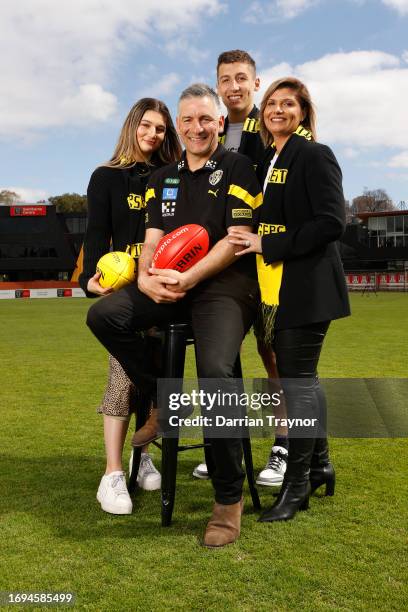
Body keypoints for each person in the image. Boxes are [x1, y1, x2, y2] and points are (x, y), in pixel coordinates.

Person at [86, 84, 262, 547]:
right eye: (187, 120)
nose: (196, 127)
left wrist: (189, 278)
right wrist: (145, 278)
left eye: (205, 119)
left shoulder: (239, 167)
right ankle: (164, 402)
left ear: (219, 123)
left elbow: (236, 237)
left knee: (215, 371)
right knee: (105, 316)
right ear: (180, 126)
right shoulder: (162, 177)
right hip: (167, 281)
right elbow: (152, 238)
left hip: (223, 286)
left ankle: (228, 500)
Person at [228, 77, 350, 522]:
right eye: (272, 104)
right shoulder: (274, 159)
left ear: (303, 112)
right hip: (283, 290)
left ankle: (296, 485)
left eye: (288, 104)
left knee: (299, 385)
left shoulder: (314, 153)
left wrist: (267, 244)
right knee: (305, 381)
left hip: (309, 288)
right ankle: (319, 465)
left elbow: (332, 222)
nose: (278, 110)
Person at [79, 98, 182, 515]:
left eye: (160, 128)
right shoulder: (106, 176)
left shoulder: (172, 176)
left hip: (162, 288)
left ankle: (144, 458)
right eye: (146, 126)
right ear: (132, 126)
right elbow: (97, 233)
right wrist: (90, 281)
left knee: (151, 367)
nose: (152, 134)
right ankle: (113, 473)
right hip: (123, 291)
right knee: (124, 377)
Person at [192, 49, 289, 486]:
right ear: (217, 85)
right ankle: (225, 451)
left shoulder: (268, 129)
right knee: (223, 361)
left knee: (275, 358)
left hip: (265, 262)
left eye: (241, 78)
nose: (233, 86)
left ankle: (284, 446)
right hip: (219, 268)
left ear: (256, 81)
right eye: (225, 79)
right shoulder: (208, 129)